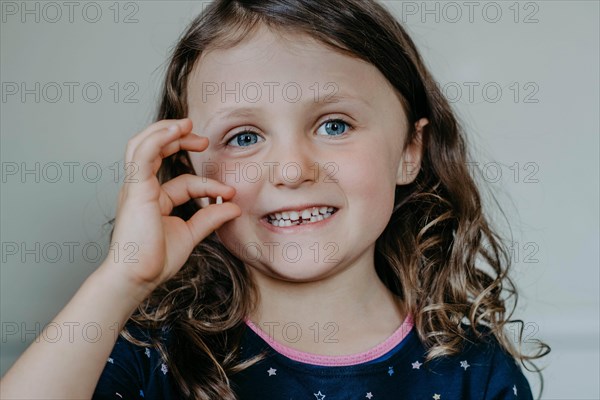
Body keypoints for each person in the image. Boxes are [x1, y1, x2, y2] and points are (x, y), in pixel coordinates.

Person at [0, 0, 550, 399]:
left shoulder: (471, 370)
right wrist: (121, 278)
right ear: (190, 168)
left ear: (410, 149)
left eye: (335, 125)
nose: (291, 170)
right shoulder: (156, 354)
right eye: (243, 137)